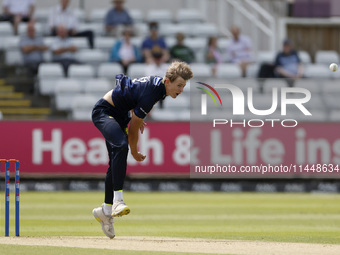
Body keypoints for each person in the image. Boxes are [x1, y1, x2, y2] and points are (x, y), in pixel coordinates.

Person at [91, 61, 193, 239]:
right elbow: (134, 127)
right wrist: (135, 150)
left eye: (183, 86)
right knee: (122, 146)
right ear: (168, 81)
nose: (181, 89)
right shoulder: (154, 93)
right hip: (104, 111)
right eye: (179, 85)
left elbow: (133, 94)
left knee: (114, 161)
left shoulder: (159, 89)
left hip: (120, 115)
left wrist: (136, 114)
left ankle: (105, 212)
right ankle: (117, 202)